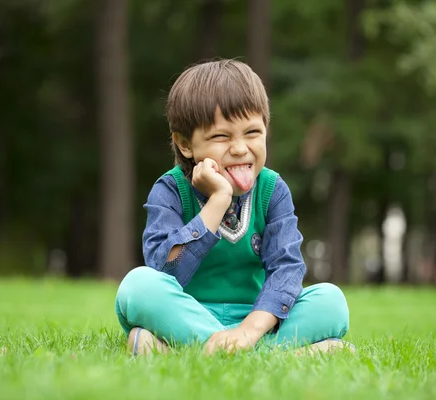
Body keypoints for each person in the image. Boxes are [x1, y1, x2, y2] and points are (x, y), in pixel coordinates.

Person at [115, 59, 352, 356]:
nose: (240, 148)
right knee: (138, 287)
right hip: (187, 315)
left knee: (331, 301)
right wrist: (217, 202)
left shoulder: (272, 190)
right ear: (186, 144)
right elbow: (166, 271)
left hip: (256, 319)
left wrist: (247, 331)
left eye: (252, 133)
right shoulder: (171, 189)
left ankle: (187, 351)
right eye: (221, 136)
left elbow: (286, 270)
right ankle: (278, 355)